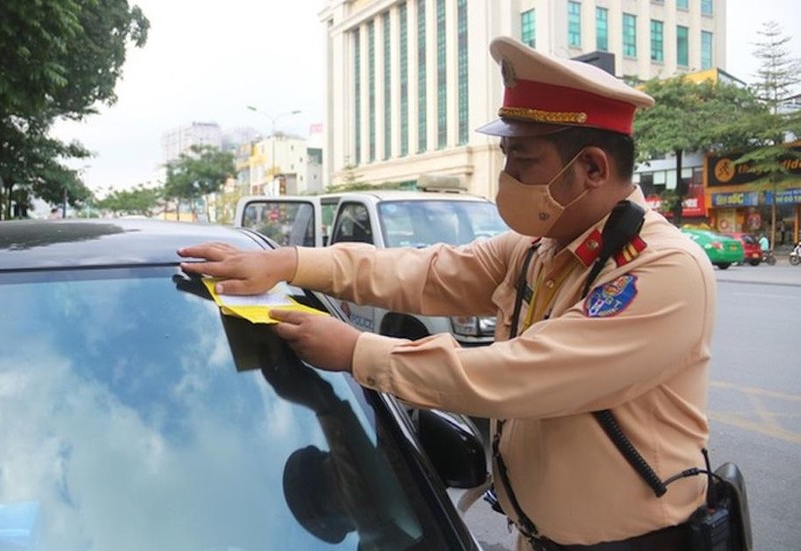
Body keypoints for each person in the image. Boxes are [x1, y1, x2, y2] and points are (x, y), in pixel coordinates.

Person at [179, 36, 715, 550]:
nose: (506, 178)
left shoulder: (661, 270)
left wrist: (356, 351)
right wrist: (288, 261)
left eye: (522, 162)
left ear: (593, 168)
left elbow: (520, 373)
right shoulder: (540, 249)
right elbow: (422, 273)